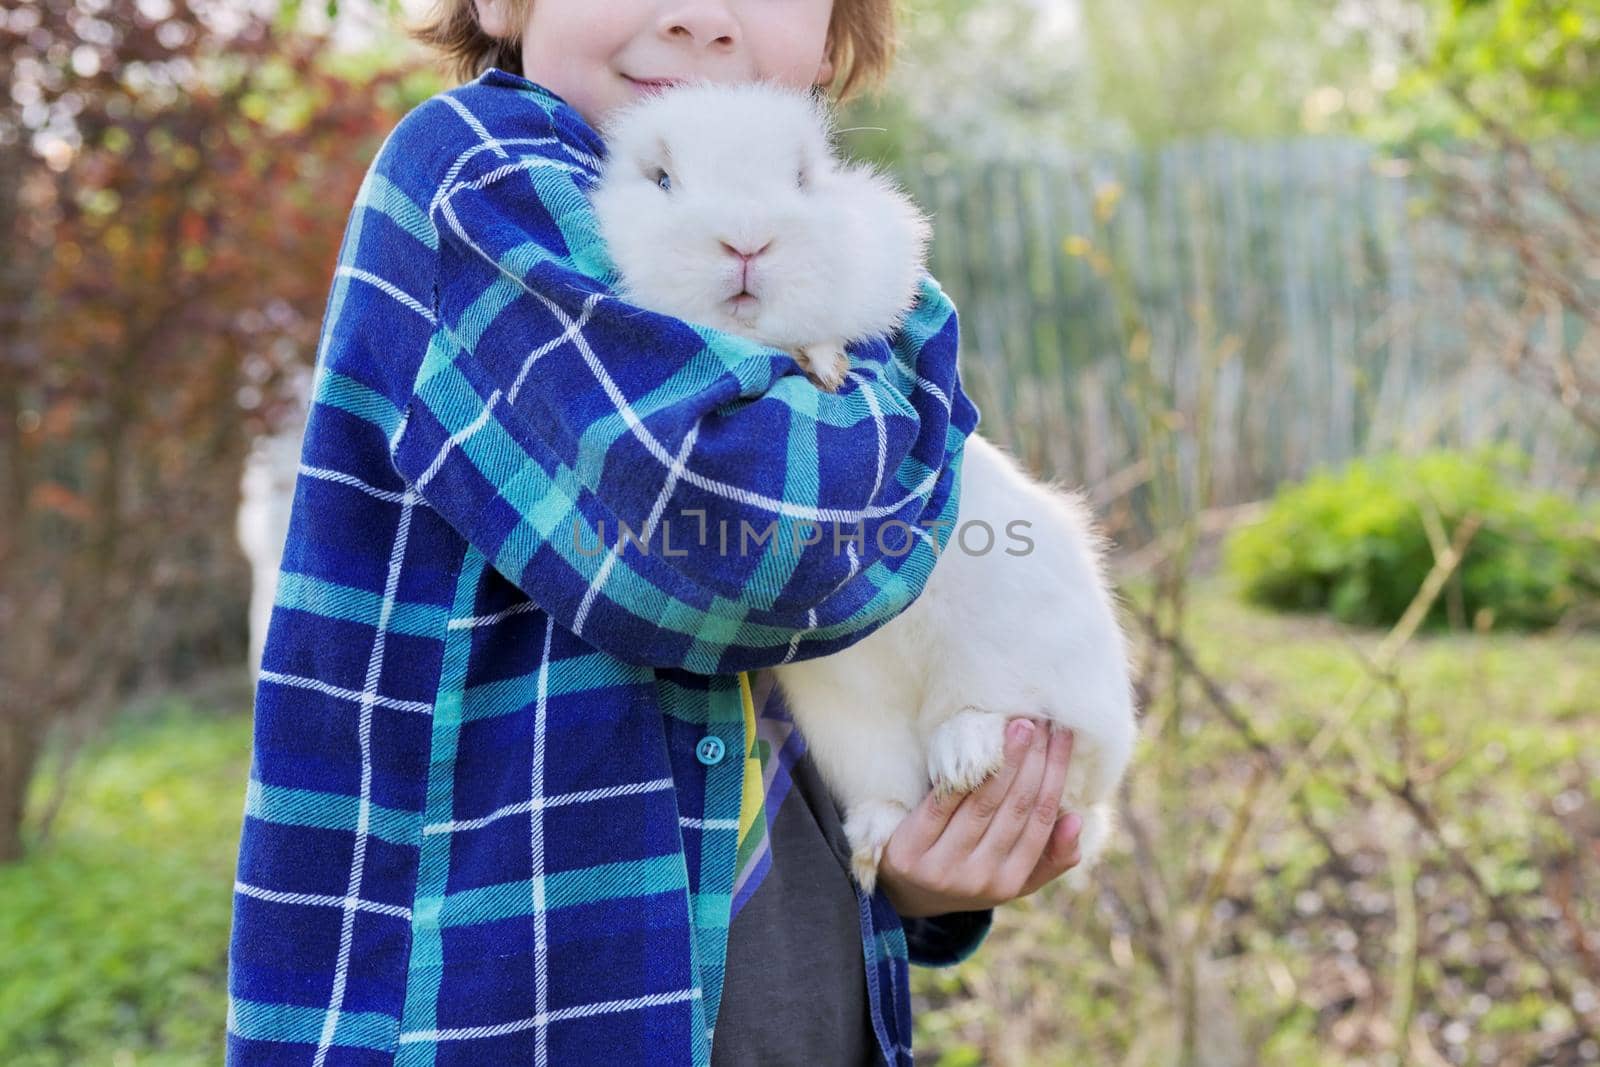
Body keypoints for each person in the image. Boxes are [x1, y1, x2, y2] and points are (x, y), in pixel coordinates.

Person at [225, 1, 1086, 1064]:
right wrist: (903, 334)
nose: (696, 17)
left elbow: (861, 624)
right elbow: (743, 545)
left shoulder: (785, 249)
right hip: (504, 1020)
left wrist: (914, 865)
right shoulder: (479, 178)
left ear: (831, 30)